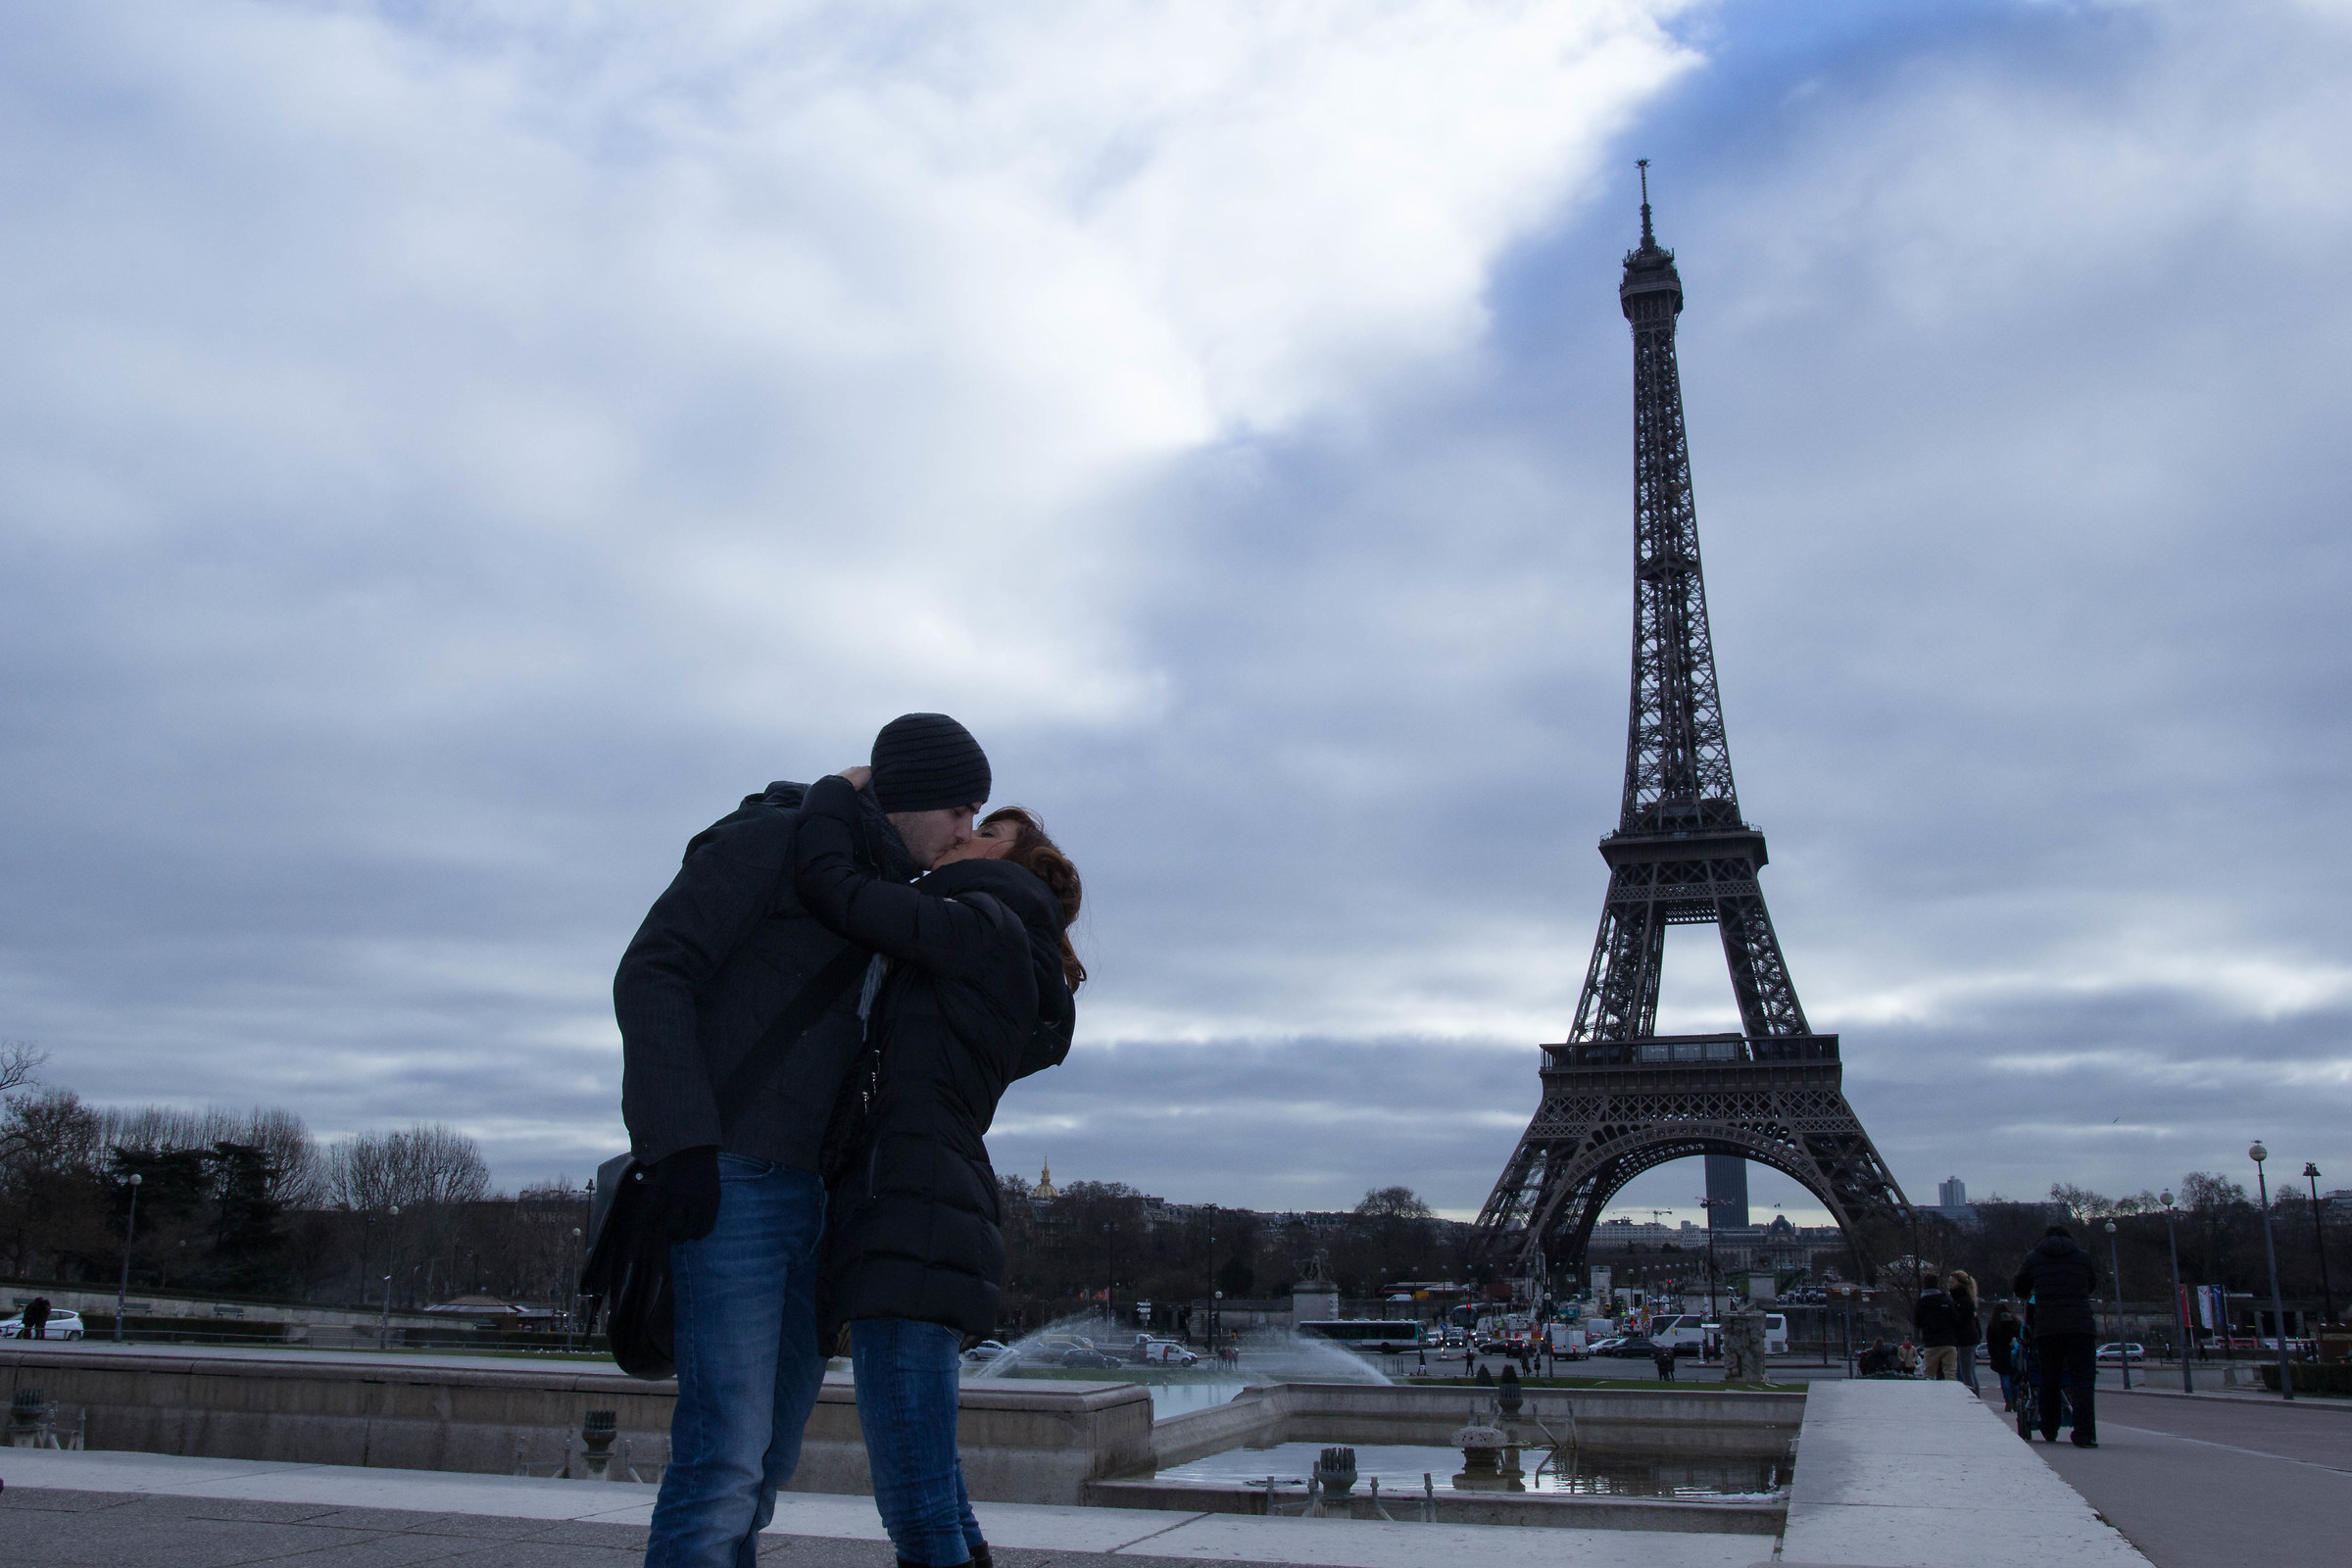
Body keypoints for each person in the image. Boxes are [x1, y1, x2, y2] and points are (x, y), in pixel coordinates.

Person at [617, 712, 992, 1568]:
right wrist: (679, 1143)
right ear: (913, 797)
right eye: (960, 809)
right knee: (724, 1454)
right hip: (731, 1175)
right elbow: (654, 969)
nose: (966, 829)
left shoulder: (885, 892)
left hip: (817, 1201)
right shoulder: (774, 841)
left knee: (765, 1459)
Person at [796, 768, 1081, 1568]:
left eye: (986, 831)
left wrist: (833, 794)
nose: (962, 832)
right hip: (928, 1198)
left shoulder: (980, 923)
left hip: (909, 1205)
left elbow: (836, 892)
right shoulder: (998, 938)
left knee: (917, 1505)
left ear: (1012, 866)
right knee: (935, 1489)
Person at [2014, 1225, 2100, 1447]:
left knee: (2049, 1377)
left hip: (2048, 1326)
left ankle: (2049, 1426)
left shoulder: (2034, 1257)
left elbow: (2020, 1286)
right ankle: (2084, 1433)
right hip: (2080, 1325)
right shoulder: (2082, 1257)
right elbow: (2091, 1284)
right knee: (2083, 1380)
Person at [1913, 1282, 1963, 1381]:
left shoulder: (1922, 1303)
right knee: (1950, 1374)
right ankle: (1951, 1390)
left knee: (1929, 1374)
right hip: (1948, 1342)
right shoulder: (1946, 1301)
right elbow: (1956, 1320)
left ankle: (1931, 1390)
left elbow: (1917, 1323)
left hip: (1931, 1343)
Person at [1947, 1271, 1984, 1392]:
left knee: (1966, 1373)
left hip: (1965, 1340)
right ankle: (1975, 1395)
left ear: (1960, 1284)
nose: (1950, 1285)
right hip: (1970, 1338)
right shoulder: (1967, 1299)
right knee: (1970, 1372)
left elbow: (1958, 1320)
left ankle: (1972, 1396)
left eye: (1952, 1282)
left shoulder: (1962, 1301)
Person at [1985, 1301, 2025, 1411]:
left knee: (2005, 1379)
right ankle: (2016, 1401)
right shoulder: (2015, 1322)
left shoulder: (1993, 1324)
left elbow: (1990, 1342)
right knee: (2015, 1380)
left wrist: (1993, 1355)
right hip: (2013, 1354)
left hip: (2000, 1356)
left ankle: (2009, 1401)